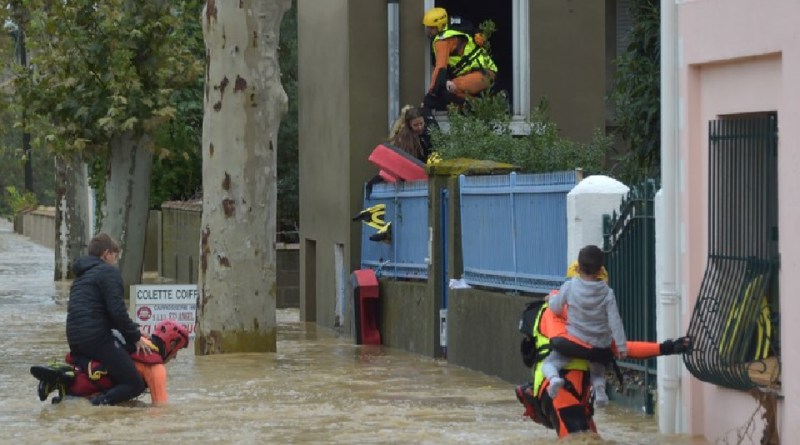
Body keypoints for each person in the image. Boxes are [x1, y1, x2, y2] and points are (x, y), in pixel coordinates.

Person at [515, 260, 692, 438]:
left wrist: (667, 347)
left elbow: (622, 348)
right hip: (556, 390)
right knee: (578, 439)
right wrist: (595, 352)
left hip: (580, 396)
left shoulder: (589, 322)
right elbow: (561, 342)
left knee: (591, 439)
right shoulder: (552, 312)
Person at [64, 233, 152, 406]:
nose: (115, 261)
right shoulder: (108, 272)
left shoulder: (81, 276)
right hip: (97, 338)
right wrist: (135, 337)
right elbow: (117, 312)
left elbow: (101, 313)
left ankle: (71, 392)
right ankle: (98, 405)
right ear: (106, 254)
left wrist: (134, 328)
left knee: (108, 371)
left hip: (75, 338)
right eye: (115, 256)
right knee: (134, 384)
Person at [541, 245, 627, 407]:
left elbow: (557, 308)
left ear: (578, 267)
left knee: (550, 363)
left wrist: (551, 299)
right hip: (599, 344)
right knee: (597, 371)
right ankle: (600, 392)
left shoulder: (570, 286)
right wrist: (621, 346)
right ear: (600, 269)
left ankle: (554, 379)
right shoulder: (607, 293)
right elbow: (615, 321)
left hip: (576, 341)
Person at [31, 319, 190, 405]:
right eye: (177, 351)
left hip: (82, 370)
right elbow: (160, 410)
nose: (174, 357)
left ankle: (61, 377)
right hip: (86, 399)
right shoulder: (156, 369)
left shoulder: (137, 340)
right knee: (136, 390)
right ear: (173, 344)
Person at [421, 7, 498, 122]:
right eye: (427, 27)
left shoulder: (442, 40)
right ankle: (483, 106)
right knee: (449, 91)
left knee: (449, 88)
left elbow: (440, 68)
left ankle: (485, 106)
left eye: (432, 28)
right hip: (483, 73)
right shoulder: (457, 29)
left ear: (440, 26)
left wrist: (431, 95)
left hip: (482, 74)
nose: (429, 31)